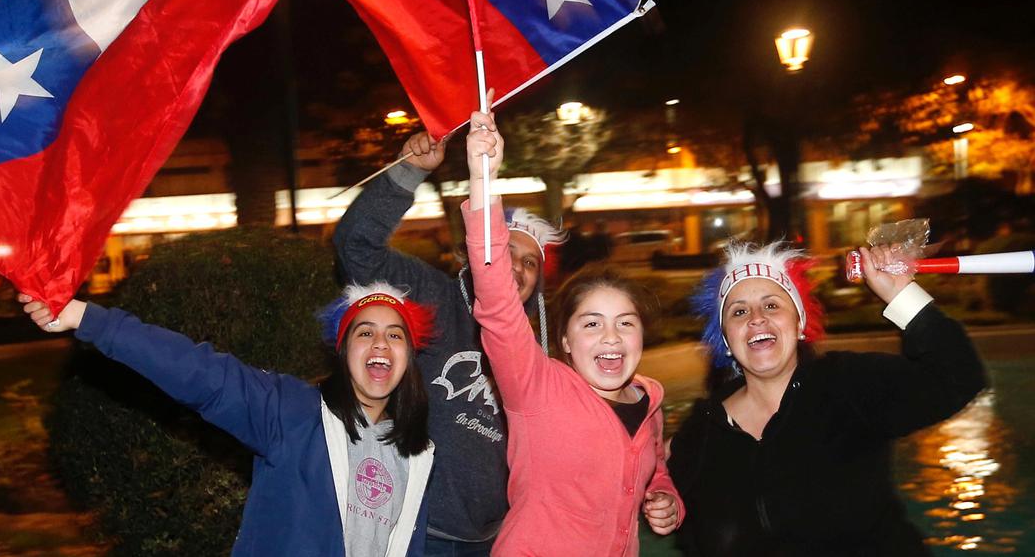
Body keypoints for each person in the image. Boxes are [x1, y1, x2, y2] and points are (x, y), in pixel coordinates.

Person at [21, 281, 436, 556]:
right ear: (343, 352)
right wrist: (87, 318)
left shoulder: (418, 453)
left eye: (394, 334)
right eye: (365, 332)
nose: (380, 341)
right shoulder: (290, 413)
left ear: (407, 359)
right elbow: (200, 374)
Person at [668, 241, 988, 556]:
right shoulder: (701, 431)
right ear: (725, 339)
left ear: (800, 324)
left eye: (771, 305)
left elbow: (957, 376)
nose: (756, 318)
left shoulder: (848, 385)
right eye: (739, 311)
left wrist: (902, 295)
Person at [461, 108, 683, 556]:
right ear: (564, 341)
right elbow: (499, 304)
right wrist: (483, 181)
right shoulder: (537, 387)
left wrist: (666, 498)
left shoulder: (650, 399)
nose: (611, 337)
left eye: (625, 323)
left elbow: (653, 468)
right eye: (592, 324)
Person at [334, 129, 565, 555]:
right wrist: (407, 173)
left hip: (496, 537)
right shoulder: (435, 297)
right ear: (477, 251)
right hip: (418, 531)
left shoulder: (539, 350)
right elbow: (357, 248)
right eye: (505, 250)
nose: (516, 268)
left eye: (529, 262)